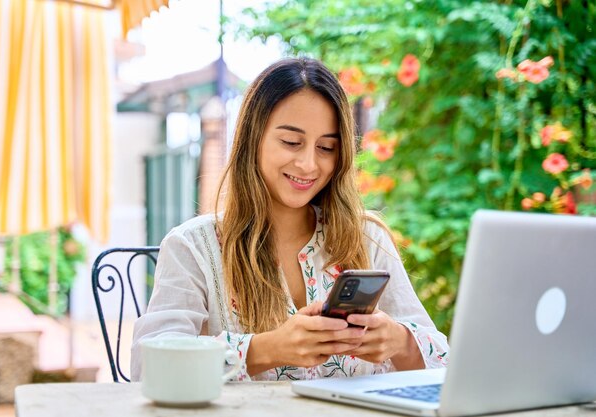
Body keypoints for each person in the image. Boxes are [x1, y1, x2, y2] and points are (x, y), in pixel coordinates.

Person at [131, 57, 449, 381]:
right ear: (253, 138)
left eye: (326, 147)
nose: (309, 164)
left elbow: (445, 362)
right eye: (291, 142)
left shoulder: (365, 237)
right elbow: (149, 368)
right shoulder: (194, 248)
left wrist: (399, 342)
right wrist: (268, 349)